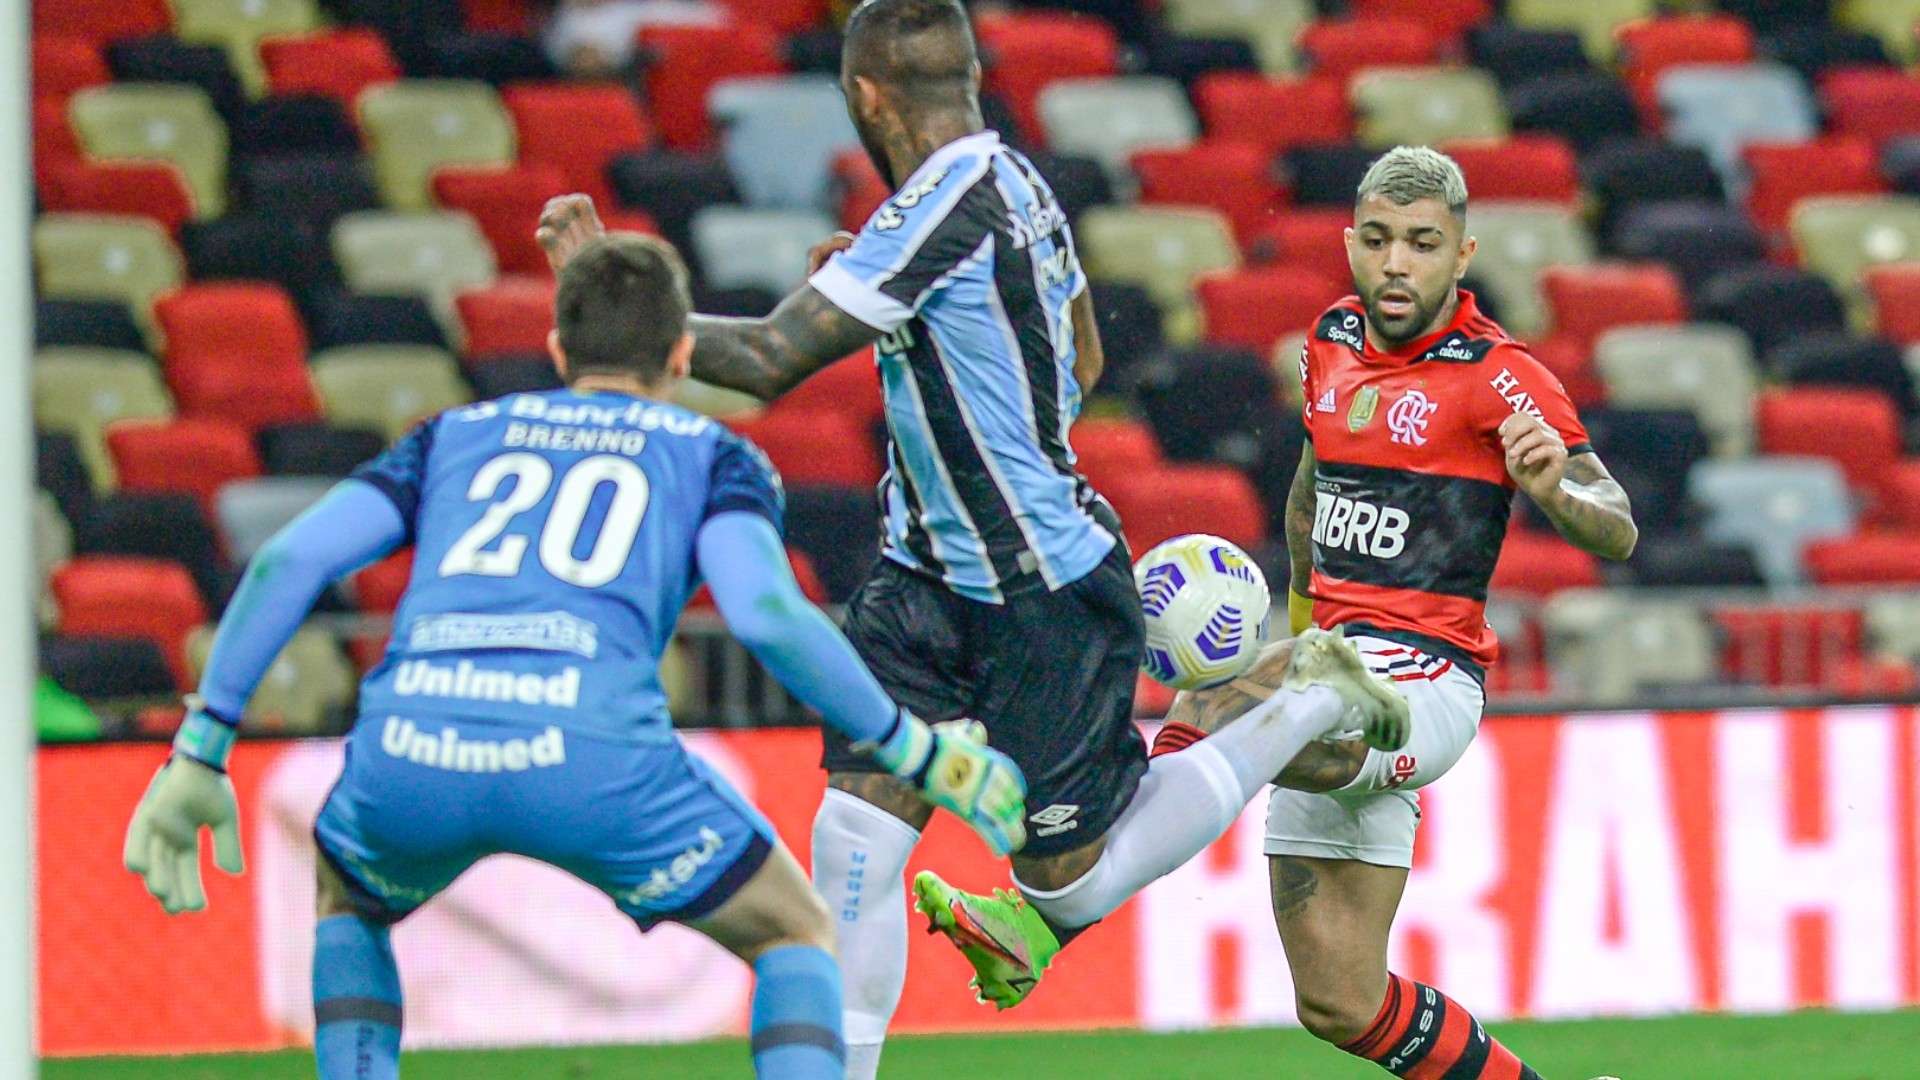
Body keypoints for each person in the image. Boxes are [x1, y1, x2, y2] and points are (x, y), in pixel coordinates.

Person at [536, 2, 1413, 1074]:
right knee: (852, 836)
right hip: (919, 581)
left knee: (1070, 886)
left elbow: (767, 361)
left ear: (863, 97)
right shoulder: (1012, 186)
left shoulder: (944, 201)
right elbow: (1082, 357)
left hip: (1041, 590)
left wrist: (603, 306)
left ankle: (1315, 696)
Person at [120, 233, 1030, 1080]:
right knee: (792, 931)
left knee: (349, 901)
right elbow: (765, 614)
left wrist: (201, 747)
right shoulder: (713, 455)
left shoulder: (454, 436)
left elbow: (290, 558)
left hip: (415, 749)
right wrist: (912, 749)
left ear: (557, 349)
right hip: (594, 760)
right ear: (681, 353)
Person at [1138, 147, 1637, 1079]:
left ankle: (1063, 892)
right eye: (1377, 241)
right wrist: (1296, 621)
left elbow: (1618, 528)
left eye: (1421, 243)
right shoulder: (1328, 338)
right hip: (1330, 656)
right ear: (1350, 244)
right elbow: (1309, 486)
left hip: (1426, 676)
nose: (1396, 263)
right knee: (1338, 1001)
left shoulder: (1501, 374)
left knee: (1214, 706)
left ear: (1461, 254)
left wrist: (1555, 493)